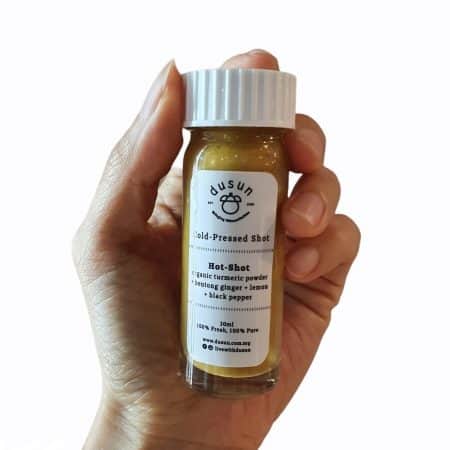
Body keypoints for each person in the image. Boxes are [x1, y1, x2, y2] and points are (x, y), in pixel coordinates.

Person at [73, 49, 360, 450]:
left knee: (299, 218)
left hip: (250, 354)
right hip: (188, 367)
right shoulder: (205, 153)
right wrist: (144, 421)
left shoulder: (260, 153)